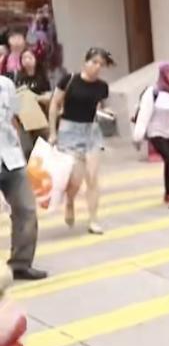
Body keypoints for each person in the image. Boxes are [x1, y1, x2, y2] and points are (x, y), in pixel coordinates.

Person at [48, 47, 116, 235]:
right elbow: (54, 104)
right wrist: (52, 132)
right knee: (75, 180)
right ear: (85, 62)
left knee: (92, 177)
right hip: (69, 131)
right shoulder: (69, 80)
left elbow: (100, 106)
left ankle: (93, 219)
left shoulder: (102, 86)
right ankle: (69, 201)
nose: (97, 67)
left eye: (101, 64)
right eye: (94, 62)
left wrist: (106, 112)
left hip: (92, 132)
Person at [0, 76, 48, 281]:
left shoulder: (6, 85)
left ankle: (21, 263)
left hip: (11, 158)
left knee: (26, 210)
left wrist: (22, 150)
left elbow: (15, 118)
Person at [132, 62, 169, 209]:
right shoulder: (153, 92)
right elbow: (144, 114)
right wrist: (138, 136)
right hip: (157, 132)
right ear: (163, 74)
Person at [11, 49, 53, 159]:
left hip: (40, 118)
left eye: (30, 57)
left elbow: (49, 96)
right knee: (27, 151)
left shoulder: (42, 77)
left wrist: (35, 98)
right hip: (24, 120)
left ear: (35, 59)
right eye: (24, 58)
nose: (27, 60)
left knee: (43, 148)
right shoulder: (19, 77)